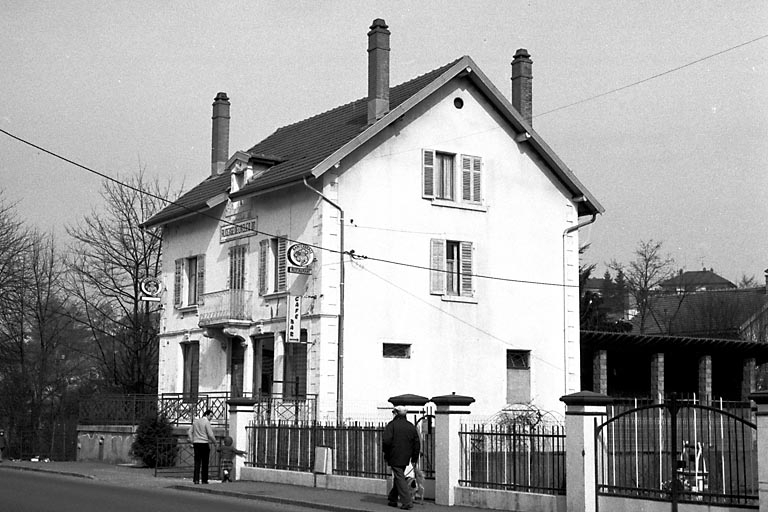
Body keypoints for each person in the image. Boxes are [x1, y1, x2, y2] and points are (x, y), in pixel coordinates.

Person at [382, 405, 420, 510]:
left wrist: (386, 453)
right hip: (406, 457)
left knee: (399, 477)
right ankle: (393, 498)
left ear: (395, 413)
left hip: (394, 455)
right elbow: (416, 443)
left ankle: (407, 502)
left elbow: (386, 441)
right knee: (399, 476)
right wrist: (414, 458)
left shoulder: (391, 425)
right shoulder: (411, 426)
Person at [188, 409, 217, 484]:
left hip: (196, 443)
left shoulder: (196, 421)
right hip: (204, 443)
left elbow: (189, 432)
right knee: (205, 463)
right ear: (206, 415)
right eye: (210, 416)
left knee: (197, 462)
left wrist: (192, 440)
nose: (211, 418)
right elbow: (210, 434)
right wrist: (215, 442)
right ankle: (204, 480)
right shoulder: (206, 422)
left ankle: (196, 479)